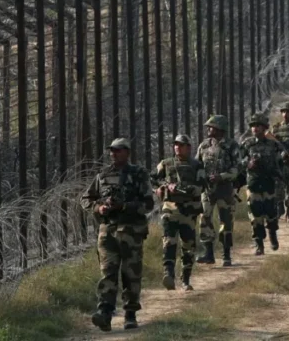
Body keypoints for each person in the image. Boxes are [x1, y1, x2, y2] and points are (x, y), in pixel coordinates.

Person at [80, 138, 155, 332]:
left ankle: (130, 314)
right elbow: (86, 199)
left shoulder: (138, 174)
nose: (114, 154)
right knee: (108, 273)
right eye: (112, 151)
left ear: (127, 153)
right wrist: (100, 207)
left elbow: (148, 204)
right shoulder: (103, 176)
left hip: (131, 232)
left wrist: (125, 206)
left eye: (118, 150)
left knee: (131, 274)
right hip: (108, 232)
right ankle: (105, 313)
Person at [151, 134, 206, 292]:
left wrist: (187, 189)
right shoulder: (166, 163)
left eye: (181, 145)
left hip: (189, 211)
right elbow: (153, 179)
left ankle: (185, 278)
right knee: (169, 242)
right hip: (170, 208)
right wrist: (164, 186)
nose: (177, 147)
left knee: (188, 246)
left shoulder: (196, 165)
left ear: (188, 147)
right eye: (175, 144)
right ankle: (168, 274)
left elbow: (202, 186)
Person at [195, 115, 240, 267]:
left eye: (211, 127)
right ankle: (208, 254)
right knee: (205, 219)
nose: (208, 129)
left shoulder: (231, 146)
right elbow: (197, 165)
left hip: (224, 190)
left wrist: (221, 177)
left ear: (220, 128)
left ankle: (226, 255)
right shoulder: (204, 145)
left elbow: (237, 168)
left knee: (226, 221)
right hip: (207, 190)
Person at [242, 113, 284, 255]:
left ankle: (272, 234)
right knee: (255, 216)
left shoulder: (273, 145)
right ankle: (259, 243)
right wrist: (248, 164)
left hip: (269, 183)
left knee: (271, 213)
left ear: (264, 127)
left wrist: (280, 176)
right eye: (253, 126)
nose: (255, 128)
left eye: (258, 126)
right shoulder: (247, 144)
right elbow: (237, 161)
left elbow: (280, 161)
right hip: (253, 183)